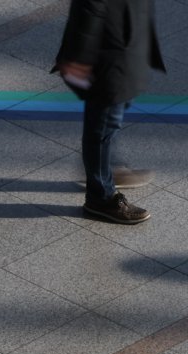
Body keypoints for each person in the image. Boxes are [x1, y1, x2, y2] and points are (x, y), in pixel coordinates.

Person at [54, 0, 165, 225]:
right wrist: (79, 57)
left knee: (113, 114)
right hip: (108, 53)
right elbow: (89, 7)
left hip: (126, 42)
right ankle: (100, 197)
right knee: (104, 124)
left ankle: (108, 167)